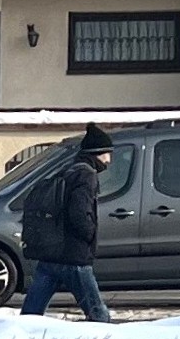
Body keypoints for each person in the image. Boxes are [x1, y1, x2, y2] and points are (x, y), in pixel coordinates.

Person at [17, 125, 115, 322]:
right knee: (98, 315)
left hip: (51, 255)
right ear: (97, 153)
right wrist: (89, 234)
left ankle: (19, 338)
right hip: (74, 256)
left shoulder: (68, 169)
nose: (109, 160)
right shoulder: (87, 175)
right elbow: (79, 212)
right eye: (107, 154)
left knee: (30, 316)